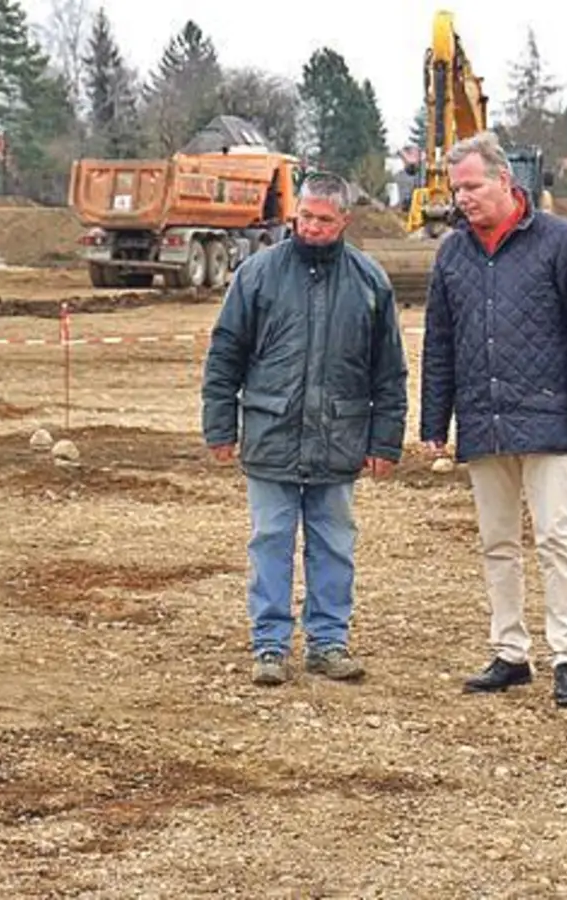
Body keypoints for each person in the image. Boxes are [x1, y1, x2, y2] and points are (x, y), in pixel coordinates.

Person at [418, 132, 567, 708]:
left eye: (473, 186)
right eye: (457, 189)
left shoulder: (560, 241)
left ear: (506, 181)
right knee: (497, 542)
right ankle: (510, 651)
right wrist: (436, 420)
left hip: (551, 417)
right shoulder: (451, 253)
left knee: (557, 537)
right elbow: (440, 342)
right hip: (483, 420)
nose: (464, 199)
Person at [201, 173, 408, 687]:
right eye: (305, 217)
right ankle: (269, 645)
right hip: (271, 433)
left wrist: (385, 440)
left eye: (323, 219)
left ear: (344, 221)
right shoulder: (257, 275)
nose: (312, 227)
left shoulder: (370, 282)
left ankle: (328, 642)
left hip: (339, 438)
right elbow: (225, 354)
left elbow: (389, 370)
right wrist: (219, 425)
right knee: (270, 538)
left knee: (333, 542)